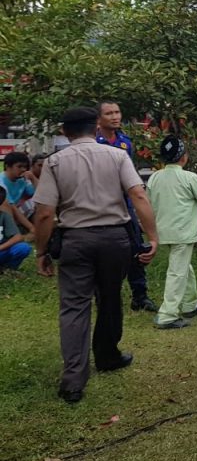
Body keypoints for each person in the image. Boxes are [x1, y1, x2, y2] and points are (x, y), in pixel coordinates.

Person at [33, 106, 159, 404]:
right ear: (96, 127)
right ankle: (107, 355)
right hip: (115, 239)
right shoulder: (117, 156)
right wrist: (152, 236)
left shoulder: (55, 162)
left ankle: (73, 380)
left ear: (65, 132)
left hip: (76, 239)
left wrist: (42, 251)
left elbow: (45, 213)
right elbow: (138, 195)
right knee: (110, 297)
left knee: (74, 307)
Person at [95, 100, 157, 313]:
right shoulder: (95, 143)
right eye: (109, 113)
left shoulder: (125, 142)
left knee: (136, 246)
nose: (115, 117)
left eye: (117, 112)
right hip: (101, 203)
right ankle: (104, 295)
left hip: (125, 201)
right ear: (98, 119)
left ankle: (140, 295)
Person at [146, 135, 197, 329]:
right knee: (177, 271)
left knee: (182, 267)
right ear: (184, 157)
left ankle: (190, 304)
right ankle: (167, 314)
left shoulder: (154, 177)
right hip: (183, 232)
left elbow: (148, 204)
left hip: (163, 231)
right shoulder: (189, 177)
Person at [1, 152, 35, 234]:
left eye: (25, 167)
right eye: (19, 166)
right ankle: (12, 232)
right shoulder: (1, 181)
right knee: (6, 204)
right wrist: (31, 227)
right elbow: (11, 206)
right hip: (5, 211)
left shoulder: (22, 179)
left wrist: (33, 178)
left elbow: (37, 194)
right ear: (7, 166)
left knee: (39, 201)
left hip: (15, 210)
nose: (23, 170)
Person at [0, 186, 32, 272]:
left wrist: (1, 247)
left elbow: (18, 237)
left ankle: (9, 269)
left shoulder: (4, 216)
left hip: (1, 252)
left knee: (23, 248)